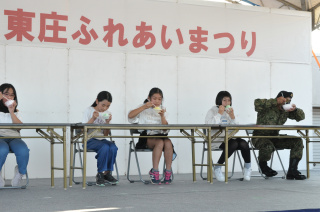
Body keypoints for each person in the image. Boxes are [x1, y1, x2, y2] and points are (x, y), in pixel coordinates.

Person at [252, 91, 306, 180]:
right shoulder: (268, 106)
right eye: (285, 100)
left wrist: (295, 110)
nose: (286, 103)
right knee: (267, 145)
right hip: (259, 137)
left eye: (288, 101)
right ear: (279, 98)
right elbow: (256, 103)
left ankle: (292, 171)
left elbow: (301, 117)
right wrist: (275, 101)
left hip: (275, 137)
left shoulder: (285, 111)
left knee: (297, 141)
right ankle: (263, 167)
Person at [128, 87, 176, 185]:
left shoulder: (163, 109)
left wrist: (162, 116)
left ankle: (168, 171)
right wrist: (144, 107)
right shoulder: (143, 107)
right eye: (154, 98)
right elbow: (130, 116)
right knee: (160, 142)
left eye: (159, 99)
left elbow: (165, 129)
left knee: (168, 142)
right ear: (149, 98)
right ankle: (155, 171)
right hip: (146, 137)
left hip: (160, 135)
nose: (157, 101)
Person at [205, 91, 251, 181]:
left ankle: (247, 167)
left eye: (229, 100)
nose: (227, 102)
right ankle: (218, 167)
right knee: (233, 143)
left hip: (228, 138)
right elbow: (209, 125)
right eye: (224, 100)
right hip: (216, 140)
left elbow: (235, 128)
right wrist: (219, 113)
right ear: (219, 100)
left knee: (243, 143)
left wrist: (232, 116)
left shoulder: (228, 112)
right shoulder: (212, 111)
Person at [82, 91, 118, 186]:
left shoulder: (107, 113)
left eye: (108, 106)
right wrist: (93, 119)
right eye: (103, 105)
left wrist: (107, 123)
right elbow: (83, 130)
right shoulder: (89, 110)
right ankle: (100, 173)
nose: (104, 108)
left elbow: (105, 135)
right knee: (105, 147)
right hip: (88, 140)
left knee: (113, 147)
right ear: (97, 101)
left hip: (101, 139)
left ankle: (107, 173)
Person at [0, 83, 29, 187]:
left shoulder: (16, 112)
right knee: (2, 150)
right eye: (6, 94)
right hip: (0, 138)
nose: (9, 97)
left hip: (14, 137)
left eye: (12, 95)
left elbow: (19, 127)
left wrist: (11, 112)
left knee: (23, 150)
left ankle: (20, 172)